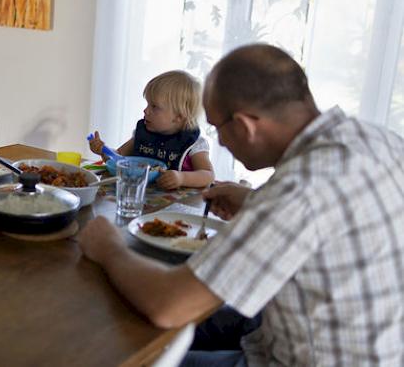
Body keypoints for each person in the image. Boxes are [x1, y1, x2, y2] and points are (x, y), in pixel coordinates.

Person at [78, 44, 404, 366]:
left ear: (246, 125)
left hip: (292, 357)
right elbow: (331, 215)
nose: (218, 141)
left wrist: (109, 246)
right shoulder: (377, 140)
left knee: (125, 346)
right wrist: (253, 201)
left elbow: (169, 305)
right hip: (370, 348)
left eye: (219, 128)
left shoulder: (299, 191)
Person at [88, 70, 214, 190]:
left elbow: (208, 175)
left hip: (177, 206)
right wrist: (103, 151)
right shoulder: (144, 133)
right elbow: (119, 158)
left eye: (154, 107)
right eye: (147, 104)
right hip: (138, 199)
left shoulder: (194, 144)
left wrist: (181, 178)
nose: (146, 110)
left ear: (179, 117)